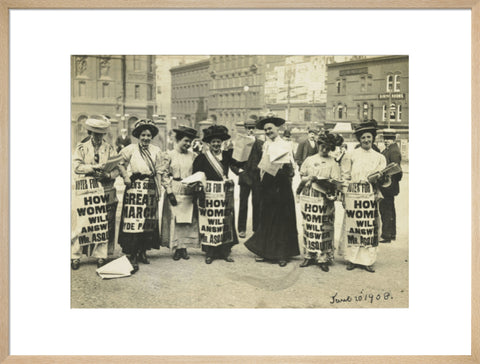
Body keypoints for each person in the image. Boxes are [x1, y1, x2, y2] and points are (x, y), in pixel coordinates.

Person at [244, 114, 300, 267]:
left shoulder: (286, 144)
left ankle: (282, 253)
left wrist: (285, 168)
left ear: (278, 129)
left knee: (282, 219)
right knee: (267, 217)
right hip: (268, 185)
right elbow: (261, 165)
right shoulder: (265, 145)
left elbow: (292, 167)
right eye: (266, 129)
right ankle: (265, 251)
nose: (268, 131)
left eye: (270, 128)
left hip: (282, 185)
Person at [71, 116, 120, 270]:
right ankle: (75, 255)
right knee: (82, 223)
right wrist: (94, 168)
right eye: (95, 133)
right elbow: (77, 167)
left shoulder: (110, 148)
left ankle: (101, 255)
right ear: (89, 132)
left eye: (100, 134)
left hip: (104, 189)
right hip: (86, 188)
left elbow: (117, 168)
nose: (98, 137)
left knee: (102, 223)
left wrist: (107, 175)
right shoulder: (81, 148)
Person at [339, 120, 386, 273]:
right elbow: (345, 176)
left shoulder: (379, 157)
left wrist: (379, 180)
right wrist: (345, 195)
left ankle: (368, 260)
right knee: (354, 227)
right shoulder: (350, 155)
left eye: (369, 137)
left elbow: (384, 179)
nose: (366, 140)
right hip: (354, 193)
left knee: (368, 227)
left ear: (373, 138)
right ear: (359, 139)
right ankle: (352, 259)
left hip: (369, 194)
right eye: (363, 137)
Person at [117, 119, 163, 273]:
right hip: (134, 188)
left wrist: (159, 189)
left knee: (147, 221)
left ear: (152, 137)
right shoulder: (130, 149)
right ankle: (132, 253)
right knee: (133, 221)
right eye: (143, 135)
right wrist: (125, 176)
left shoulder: (156, 150)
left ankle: (143, 251)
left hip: (149, 187)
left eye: (148, 135)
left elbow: (159, 170)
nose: (146, 138)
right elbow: (119, 163)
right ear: (138, 136)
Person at [192, 125, 240, 264]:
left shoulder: (227, 155)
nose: (216, 144)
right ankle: (210, 252)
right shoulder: (202, 158)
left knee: (225, 222)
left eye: (218, 141)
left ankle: (225, 252)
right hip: (209, 195)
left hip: (224, 194)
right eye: (213, 142)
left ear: (222, 142)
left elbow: (238, 165)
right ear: (209, 143)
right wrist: (200, 189)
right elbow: (197, 175)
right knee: (210, 223)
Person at [298, 131, 343, 272]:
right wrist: (309, 178)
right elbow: (302, 176)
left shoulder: (333, 163)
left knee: (324, 227)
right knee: (310, 225)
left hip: (325, 198)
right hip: (310, 195)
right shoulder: (310, 160)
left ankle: (323, 257)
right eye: (322, 146)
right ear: (318, 145)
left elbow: (336, 181)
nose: (324, 150)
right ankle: (309, 255)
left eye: (328, 148)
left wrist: (330, 184)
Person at [159, 126, 200, 260]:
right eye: (185, 141)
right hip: (175, 187)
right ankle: (176, 248)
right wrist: (169, 191)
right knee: (175, 219)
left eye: (190, 142)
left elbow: (197, 173)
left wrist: (195, 186)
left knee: (187, 220)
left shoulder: (193, 156)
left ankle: (184, 248)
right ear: (178, 140)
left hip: (188, 189)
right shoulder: (169, 155)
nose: (188, 144)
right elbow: (164, 174)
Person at [237, 117, 264, 239]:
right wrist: (239, 171)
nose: (250, 131)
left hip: (257, 178)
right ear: (245, 129)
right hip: (244, 177)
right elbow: (234, 161)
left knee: (257, 203)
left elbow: (264, 160)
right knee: (243, 204)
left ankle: (256, 228)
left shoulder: (260, 144)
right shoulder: (241, 143)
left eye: (252, 128)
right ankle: (241, 229)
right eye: (248, 128)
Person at [379, 130, 403, 243]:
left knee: (386, 210)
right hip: (388, 185)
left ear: (393, 139)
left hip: (388, 185)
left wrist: (386, 174)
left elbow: (396, 169)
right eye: (385, 138)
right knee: (389, 209)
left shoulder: (393, 151)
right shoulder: (390, 149)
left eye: (388, 139)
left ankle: (387, 234)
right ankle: (390, 233)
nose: (385, 141)